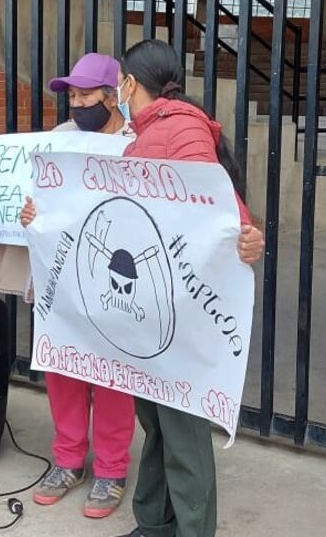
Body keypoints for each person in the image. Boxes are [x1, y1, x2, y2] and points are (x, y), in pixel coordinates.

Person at [22, 40, 265, 537]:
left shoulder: (180, 127)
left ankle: (192, 528)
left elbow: (211, 199)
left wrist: (245, 233)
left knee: (182, 432)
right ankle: (154, 521)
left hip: (178, 310)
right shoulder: (147, 133)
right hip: (151, 306)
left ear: (129, 84)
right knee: (156, 421)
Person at [0, 53, 139, 518]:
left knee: (112, 377)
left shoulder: (136, 141)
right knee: (63, 371)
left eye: (86, 95)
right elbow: (29, 196)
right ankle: (67, 460)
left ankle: (111, 469)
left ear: (113, 93)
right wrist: (12, 208)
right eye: (72, 96)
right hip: (59, 277)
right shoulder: (57, 140)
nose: (77, 104)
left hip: (111, 280)